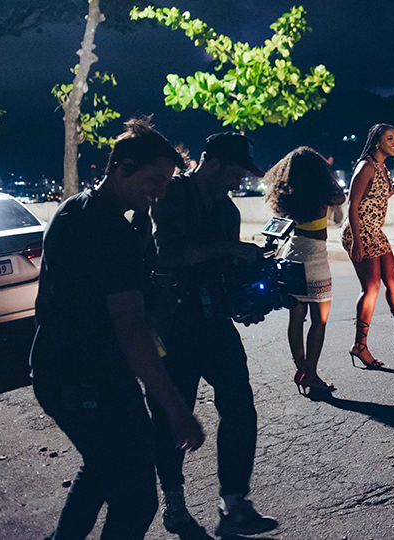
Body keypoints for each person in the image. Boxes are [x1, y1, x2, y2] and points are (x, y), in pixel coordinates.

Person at [30, 117, 204, 540]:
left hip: (67, 375)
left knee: (99, 474)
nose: (162, 192)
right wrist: (177, 408)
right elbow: (131, 327)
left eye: (166, 183)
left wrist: (141, 223)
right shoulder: (109, 232)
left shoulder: (77, 208)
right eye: (154, 180)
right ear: (122, 169)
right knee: (136, 499)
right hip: (86, 383)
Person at [148, 132, 278, 537]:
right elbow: (167, 255)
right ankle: (174, 499)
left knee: (240, 406)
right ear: (215, 163)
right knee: (173, 415)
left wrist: (248, 300)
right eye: (237, 172)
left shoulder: (228, 211)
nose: (240, 182)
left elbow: (224, 269)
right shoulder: (170, 194)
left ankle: (234, 502)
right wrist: (229, 249)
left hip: (214, 321)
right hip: (173, 323)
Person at [342, 124, 394, 368]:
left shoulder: (382, 167)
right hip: (360, 230)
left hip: (375, 231)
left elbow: (381, 195)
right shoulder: (366, 166)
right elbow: (352, 204)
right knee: (371, 288)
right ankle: (359, 345)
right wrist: (357, 241)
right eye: (389, 138)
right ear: (376, 142)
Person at [264, 147, 346, 395]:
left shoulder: (289, 194)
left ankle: (300, 368)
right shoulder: (324, 192)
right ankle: (311, 374)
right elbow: (341, 197)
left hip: (292, 253)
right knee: (319, 320)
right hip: (315, 256)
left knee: (296, 319)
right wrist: (328, 173)